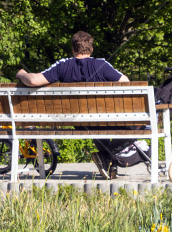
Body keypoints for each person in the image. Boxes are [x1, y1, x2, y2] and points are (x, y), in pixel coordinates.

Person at [15, 31, 147, 179]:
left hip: (79, 122)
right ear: (91, 49)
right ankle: (107, 157)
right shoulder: (102, 64)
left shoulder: (63, 66)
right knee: (127, 125)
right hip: (105, 119)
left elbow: (33, 81)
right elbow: (125, 83)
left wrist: (21, 73)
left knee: (94, 124)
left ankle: (107, 160)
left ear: (73, 49)